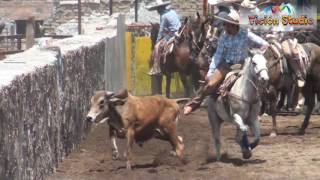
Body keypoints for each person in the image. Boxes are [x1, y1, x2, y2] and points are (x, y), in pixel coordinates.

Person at [184, 8, 269, 115]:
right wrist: (211, 72)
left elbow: (265, 44)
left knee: (261, 80)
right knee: (210, 84)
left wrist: (258, 53)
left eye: (228, 24)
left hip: (244, 65)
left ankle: (263, 104)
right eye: (225, 24)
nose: (225, 27)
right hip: (227, 65)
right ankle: (195, 103)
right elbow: (218, 55)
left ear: (235, 25)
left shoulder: (245, 34)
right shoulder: (224, 36)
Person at [147, 0, 181, 75]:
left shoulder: (163, 16)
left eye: (158, 9)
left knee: (156, 47)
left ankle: (156, 68)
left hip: (172, 35)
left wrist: (157, 42)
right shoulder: (173, 11)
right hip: (180, 32)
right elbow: (179, 22)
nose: (157, 11)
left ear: (160, 8)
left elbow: (161, 30)